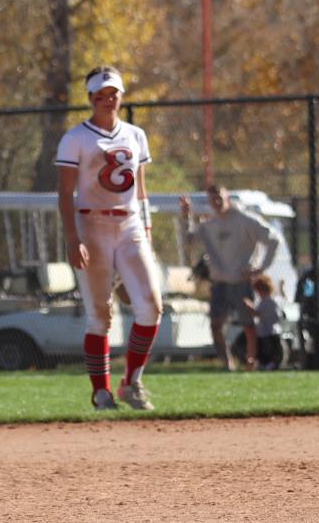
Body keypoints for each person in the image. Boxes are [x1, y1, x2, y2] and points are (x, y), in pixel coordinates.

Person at [56, 64, 162, 411]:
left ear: (121, 95)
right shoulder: (76, 138)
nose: (107, 100)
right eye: (100, 95)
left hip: (129, 224)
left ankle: (131, 382)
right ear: (89, 98)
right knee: (100, 313)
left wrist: (146, 232)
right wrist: (73, 238)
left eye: (113, 93)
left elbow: (142, 190)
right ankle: (100, 391)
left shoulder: (135, 134)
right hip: (93, 225)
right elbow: (65, 192)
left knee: (151, 307)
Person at [180, 185, 286, 371]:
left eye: (220, 198)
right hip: (220, 283)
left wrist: (259, 268)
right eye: (213, 199)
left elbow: (273, 240)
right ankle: (227, 362)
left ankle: (251, 361)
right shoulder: (209, 226)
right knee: (215, 324)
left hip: (241, 282)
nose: (217, 202)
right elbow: (188, 240)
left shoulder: (245, 220)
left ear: (227, 197)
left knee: (249, 324)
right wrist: (186, 216)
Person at [251, 273, 286, 370]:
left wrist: (248, 306)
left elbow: (257, 313)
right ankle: (270, 365)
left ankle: (268, 366)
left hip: (267, 332)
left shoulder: (266, 301)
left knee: (267, 354)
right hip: (273, 331)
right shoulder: (273, 300)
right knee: (272, 354)